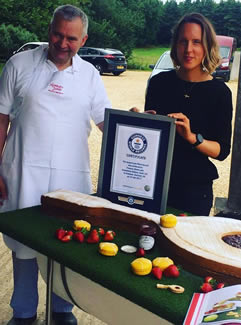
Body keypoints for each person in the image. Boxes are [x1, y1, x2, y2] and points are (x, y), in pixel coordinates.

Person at [0, 5, 111, 325]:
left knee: (66, 247)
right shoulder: (18, 64)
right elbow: (1, 117)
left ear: (84, 39)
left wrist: (140, 130)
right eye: (57, 34)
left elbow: (108, 123)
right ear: (50, 30)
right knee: (23, 244)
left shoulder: (89, 75)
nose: (63, 43)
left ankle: (62, 311)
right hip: (22, 170)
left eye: (72, 38)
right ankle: (23, 312)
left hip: (70, 178)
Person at [145, 13, 233, 216]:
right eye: (183, 41)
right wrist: (140, 121)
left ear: (207, 46)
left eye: (196, 42)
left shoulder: (220, 92)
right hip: (153, 182)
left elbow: (221, 151)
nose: (188, 49)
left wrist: (192, 137)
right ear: (175, 45)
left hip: (194, 191)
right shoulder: (159, 83)